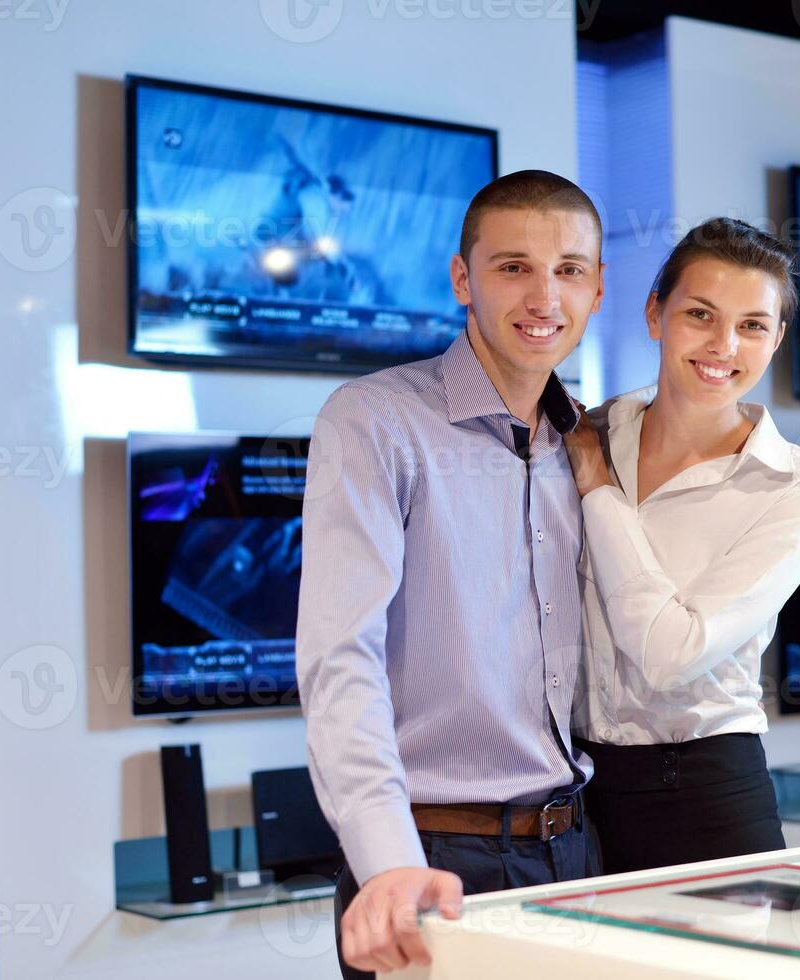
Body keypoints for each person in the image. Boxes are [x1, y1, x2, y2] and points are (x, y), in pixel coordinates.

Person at [296, 170, 605, 978]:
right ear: (462, 278)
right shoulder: (374, 421)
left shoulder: (590, 444)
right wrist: (386, 860)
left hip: (579, 851)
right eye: (512, 267)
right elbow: (340, 659)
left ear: (598, 287)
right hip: (434, 860)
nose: (544, 297)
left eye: (569, 269)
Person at [564, 217, 800, 873]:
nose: (723, 344)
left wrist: (596, 489)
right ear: (654, 314)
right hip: (564, 791)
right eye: (700, 314)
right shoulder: (583, 432)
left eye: (751, 325)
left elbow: (669, 656)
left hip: (701, 790)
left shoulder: (797, 485)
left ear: (775, 339)